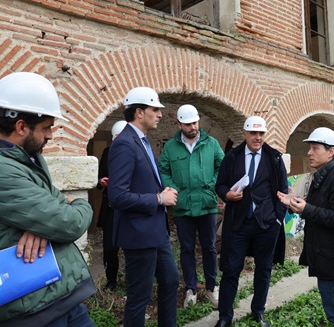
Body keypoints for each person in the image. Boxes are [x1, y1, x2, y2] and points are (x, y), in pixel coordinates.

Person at [0, 72, 96, 326]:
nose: (51, 135)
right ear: (21, 127)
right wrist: (81, 204)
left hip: (55, 298)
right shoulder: (4, 169)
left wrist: (44, 225)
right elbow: (68, 223)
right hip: (31, 310)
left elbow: (53, 214)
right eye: (46, 128)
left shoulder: (26, 160)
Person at [108, 87, 180, 327]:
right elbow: (117, 196)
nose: (160, 114)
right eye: (155, 109)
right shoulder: (124, 144)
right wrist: (159, 199)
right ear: (139, 112)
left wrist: (163, 192)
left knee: (170, 280)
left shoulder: (142, 141)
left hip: (156, 231)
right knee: (140, 296)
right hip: (138, 234)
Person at [277, 127, 334, 327]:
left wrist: (307, 209)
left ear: (331, 152)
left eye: (315, 148)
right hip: (327, 255)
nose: (309, 153)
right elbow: (323, 208)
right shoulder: (325, 176)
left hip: (333, 258)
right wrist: (297, 203)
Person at [214, 116, 288, 327]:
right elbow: (219, 185)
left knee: (263, 270)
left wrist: (277, 219)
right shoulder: (232, 157)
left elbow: (283, 191)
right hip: (238, 223)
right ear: (245, 134)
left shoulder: (274, 158)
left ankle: (258, 311)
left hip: (266, 224)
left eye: (261, 133)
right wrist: (226, 195)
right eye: (253, 133)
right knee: (231, 269)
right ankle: (225, 316)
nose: (257, 137)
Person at [159, 104, 224, 308]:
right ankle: (191, 288)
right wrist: (174, 189)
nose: (192, 127)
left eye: (195, 122)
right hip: (183, 206)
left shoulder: (211, 143)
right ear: (179, 124)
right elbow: (163, 170)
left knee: (209, 248)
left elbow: (222, 167)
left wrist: (212, 187)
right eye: (187, 124)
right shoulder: (171, 147)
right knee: (186, 249)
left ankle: (212, 287)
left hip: (207, 205)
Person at [96, 120, 127, 290]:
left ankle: (132, 281)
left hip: (130, 206)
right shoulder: (108, 152)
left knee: (132, 246)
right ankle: (111, 282)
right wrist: (101, 182)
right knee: (109, 247)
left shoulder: (137, 152)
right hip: (111, 206)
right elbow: (99, 178)